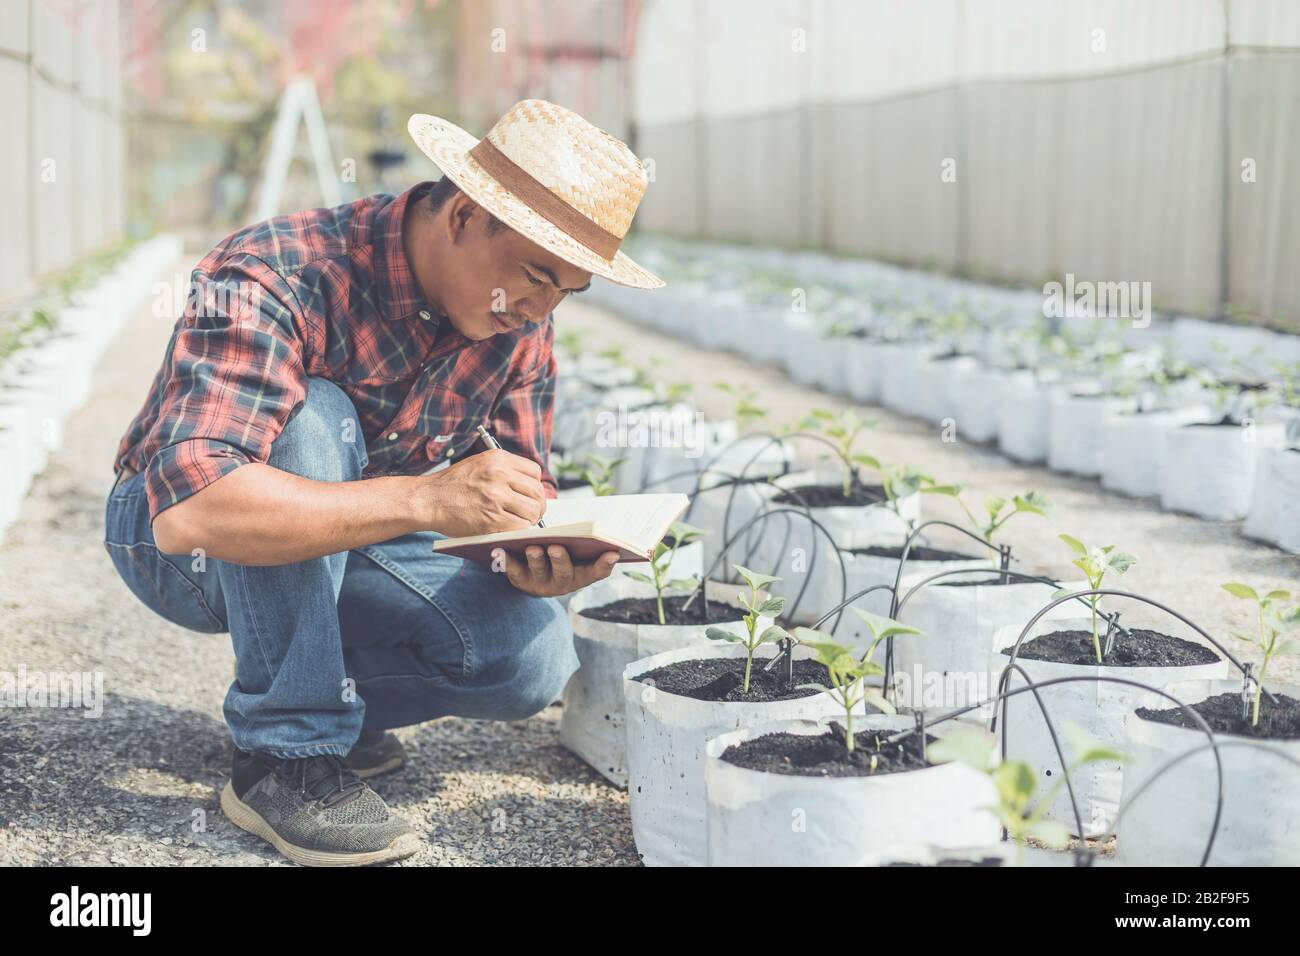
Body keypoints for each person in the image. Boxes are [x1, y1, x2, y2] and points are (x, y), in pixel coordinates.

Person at [103, 99, 664, 866]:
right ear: (465, 216)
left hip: (347, 542)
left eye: (567, 291)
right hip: (177, 545)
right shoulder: (281, 271)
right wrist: (426, 498)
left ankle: (330, 704)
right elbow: (193, 509)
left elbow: (522, 498)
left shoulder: (518, 329)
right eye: (536, 275)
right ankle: (287, 755)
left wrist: (539, 557)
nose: (540, 308)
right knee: (313, 416)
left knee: (528, 655)